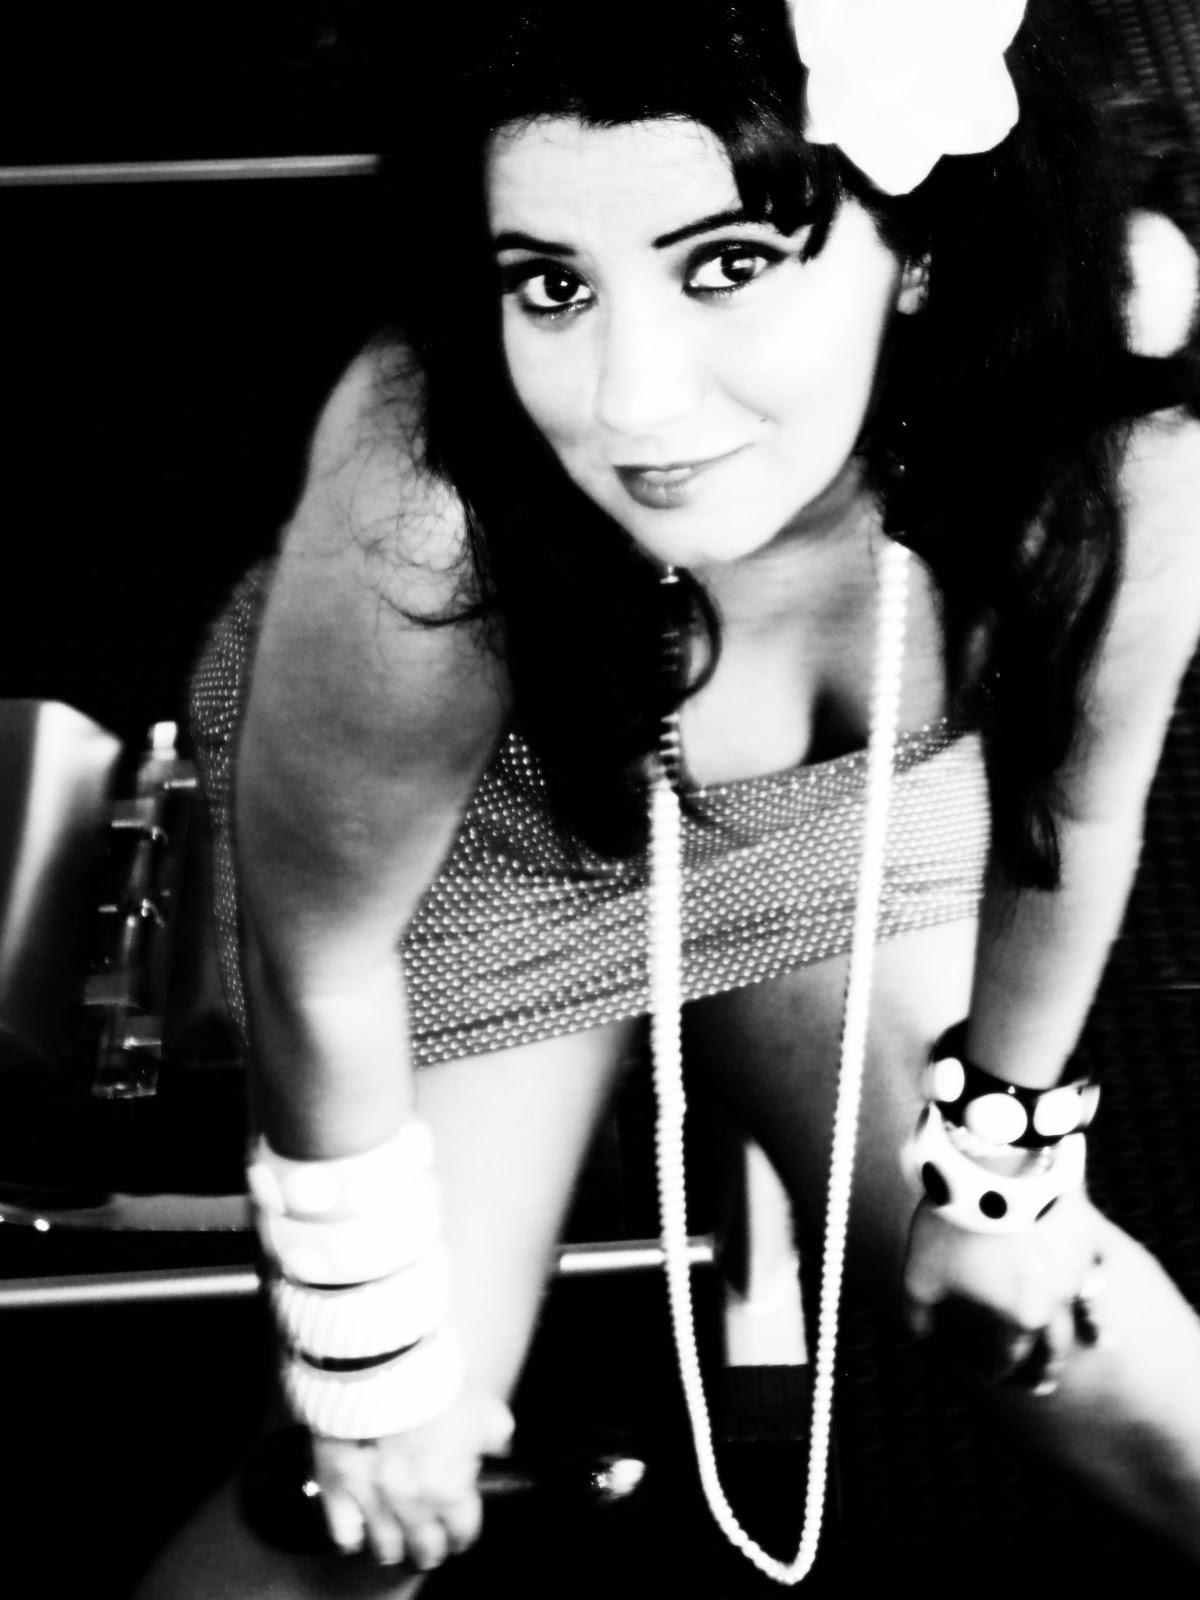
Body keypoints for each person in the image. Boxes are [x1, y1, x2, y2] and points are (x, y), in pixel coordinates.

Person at [137, 1, 1200, 1594]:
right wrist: (366, 1363)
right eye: (554, 285)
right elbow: (321, 960)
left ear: (919, 250)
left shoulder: (1108, 366)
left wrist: (1003, 1183)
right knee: (357, 1526)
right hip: (473, 864)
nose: (629, 401)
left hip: (842, 825)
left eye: (728, 264)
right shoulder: (427, 511)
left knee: (1092, 1355)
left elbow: (1081, 806)